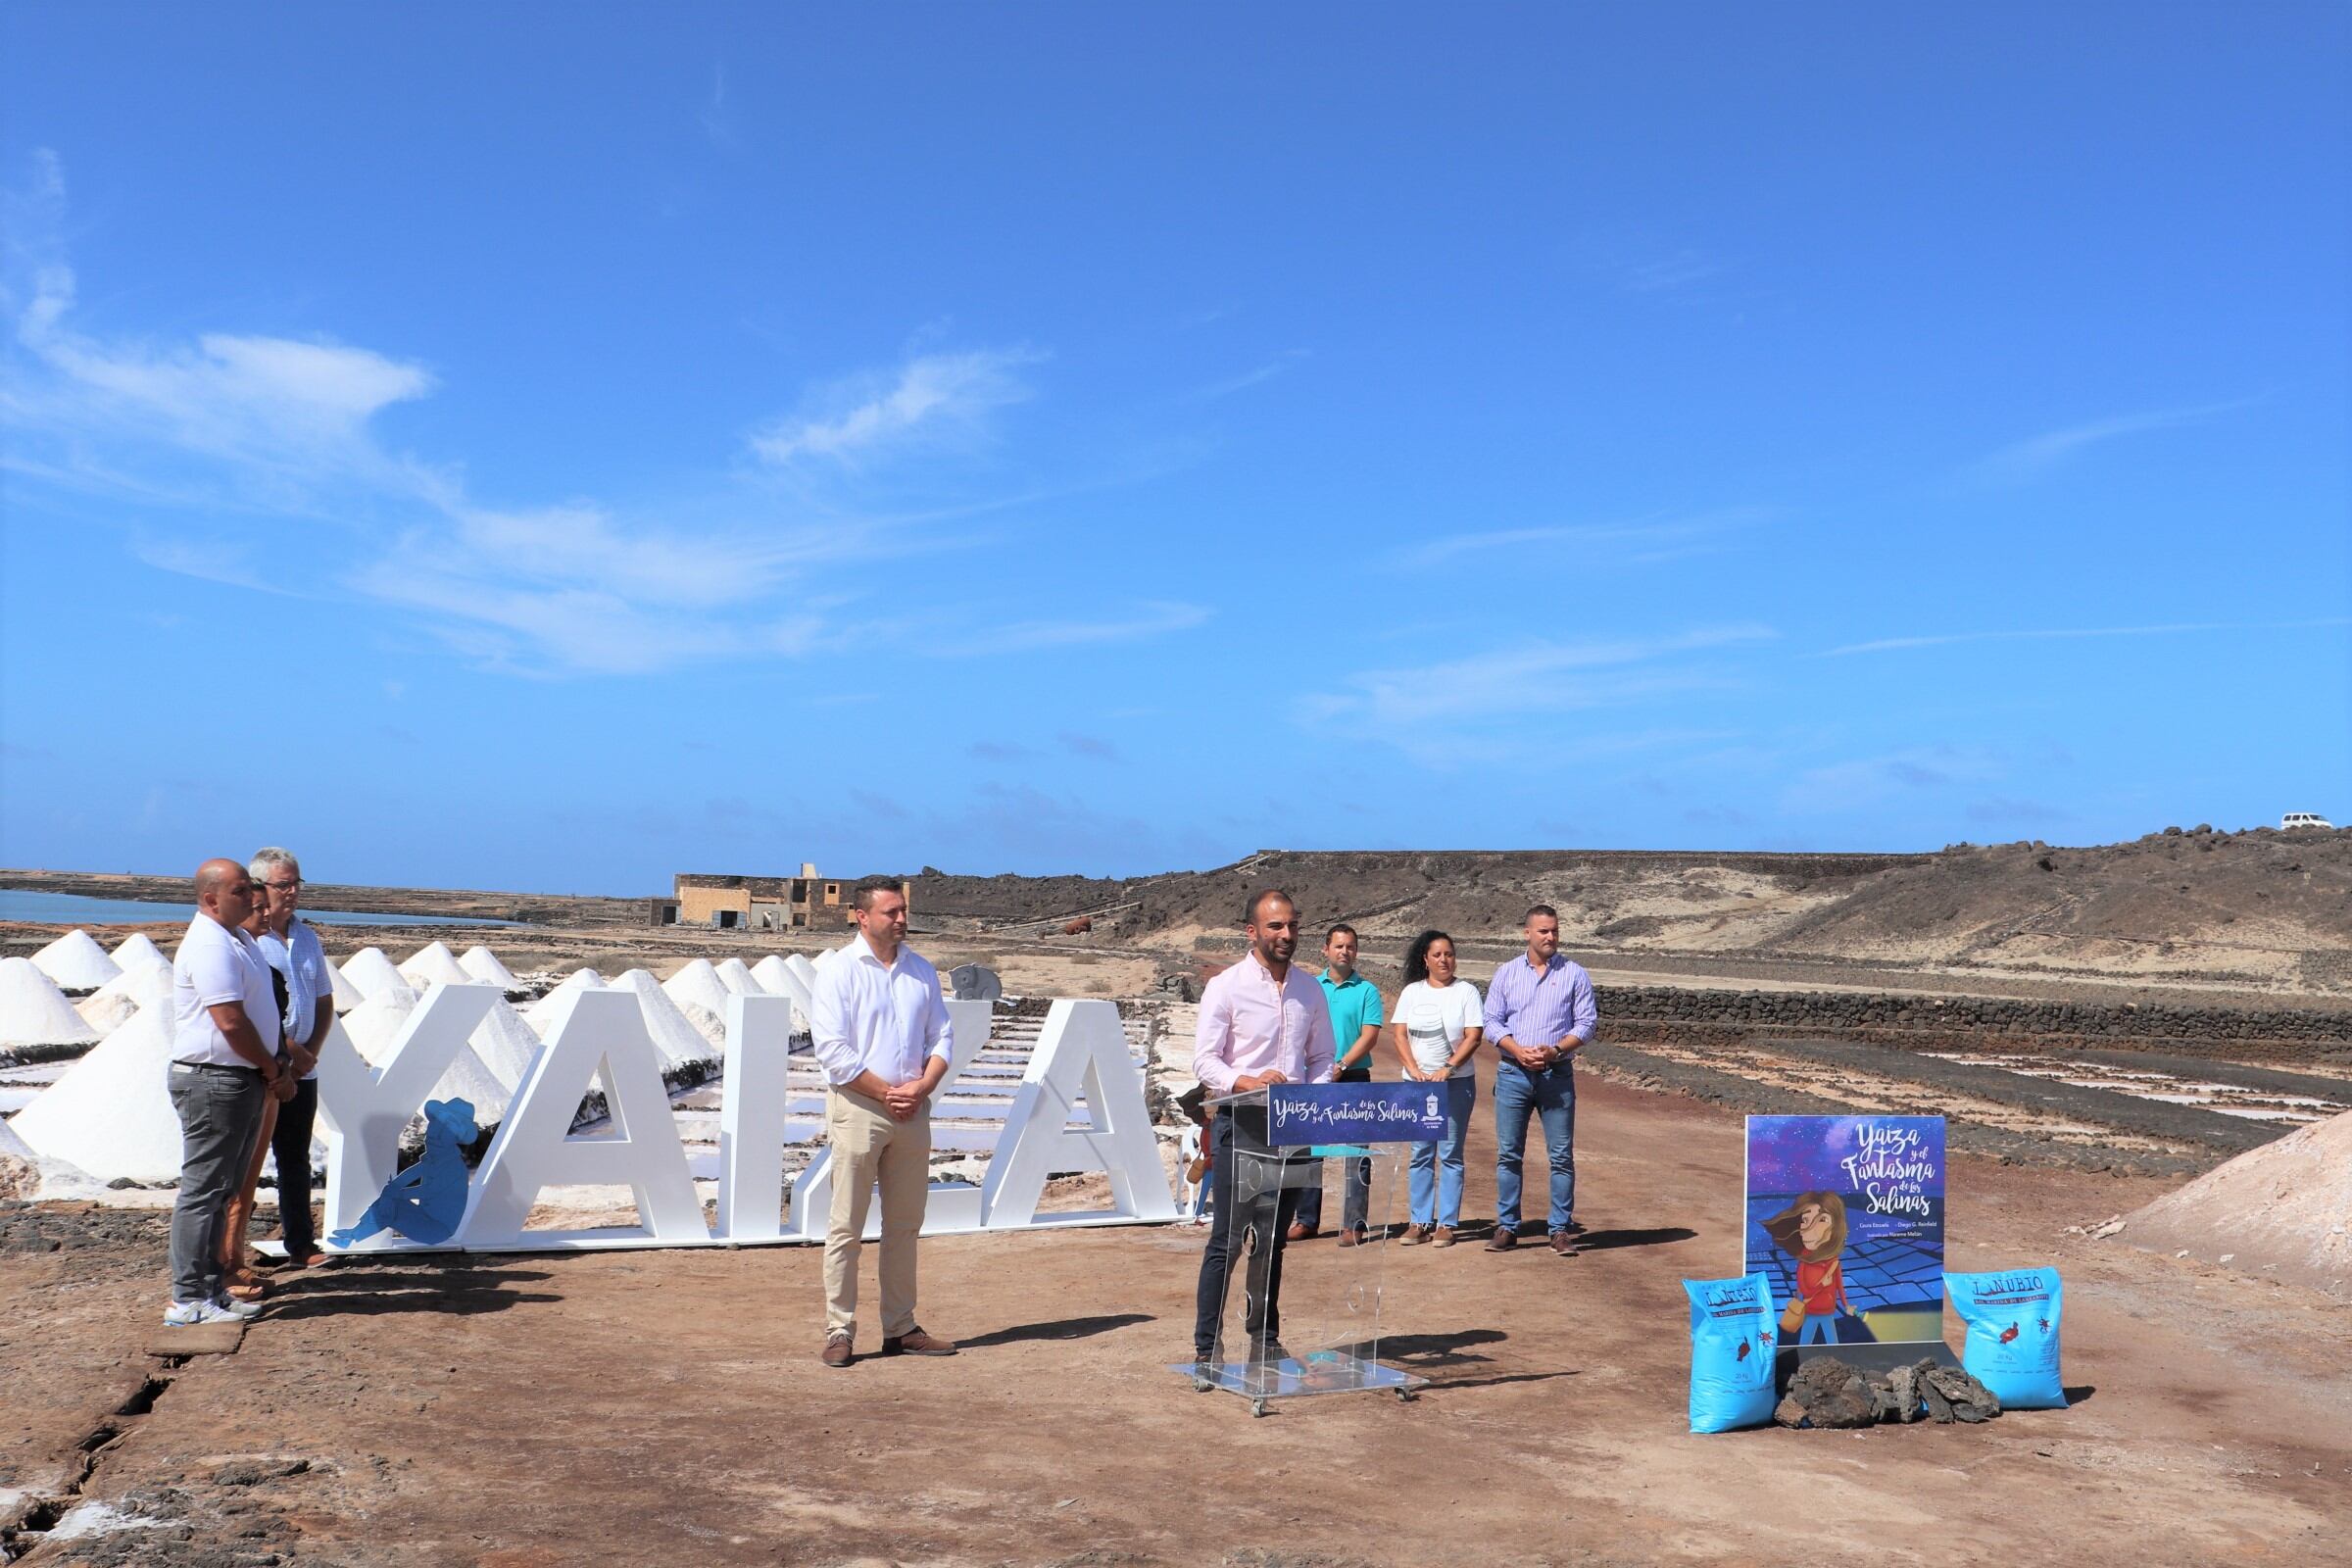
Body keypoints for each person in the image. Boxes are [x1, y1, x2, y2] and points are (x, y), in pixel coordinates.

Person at [809, 878, 958, 1368]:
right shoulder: (837, 971)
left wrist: (920, 1088)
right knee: (846, 1225)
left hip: (912, 1111)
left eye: (903, 911)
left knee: (904, 1226)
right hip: (859, 1109)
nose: (901, 919)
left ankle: (900, 1326)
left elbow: (942, 1038)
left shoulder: (921, 971)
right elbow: (832, 1050)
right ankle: (840, 1329)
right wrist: (886, 1092)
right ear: (862, 915)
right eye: (891, 912)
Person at [1190, 890, 1337, 1371]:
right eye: (1275, 927)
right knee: (1228, 1241)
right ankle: (1208, 1347)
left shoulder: (1310, 990)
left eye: (1292, 926)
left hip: (1294, 1126)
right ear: (1252, 932)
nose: (1286, 935)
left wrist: (1309, 1089)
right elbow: (1205, 1060)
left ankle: (1266, 1340)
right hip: (1243, 1123)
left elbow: (1321, 1058)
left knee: (1272, 1241)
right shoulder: (1227, 986)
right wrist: (1247, 1081)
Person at [164, 859, 287, 1327]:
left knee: (222, 1190)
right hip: (215, 1078)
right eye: (240, 891)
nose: (252, 896)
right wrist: (271, 1066)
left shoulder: (235, 938)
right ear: (211, 898)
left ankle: (211, 1287)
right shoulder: (211, 945)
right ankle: (188, 1297)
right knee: (204, 1191)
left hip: (236, 1078)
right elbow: (230, 1021)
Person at [1481, 905, 1598, 1255]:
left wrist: (1556, 1050)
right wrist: (1517, 1049)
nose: (1550, 937)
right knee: (1508, 1154)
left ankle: (1559, 1230)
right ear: (1527, 933)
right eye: (1544, 931)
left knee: (1561, 1155)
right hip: (1513, 1073)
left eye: (1555, 931)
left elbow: (1587, 1024)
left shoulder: (1575, 974)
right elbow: (1491, 1021)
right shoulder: (1506, 973)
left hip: (1556, 1074)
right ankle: (1507, 1226)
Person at [249, 848, 332, 1271]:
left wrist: (310, 1053)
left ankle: (300, 1243)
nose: (294, 891)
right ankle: (228, 1252)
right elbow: (249, 1009)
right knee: (244, 1161)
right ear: (260, 886)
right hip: (261, 1065)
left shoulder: (307, 937)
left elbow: (324, 1000)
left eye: (297, 882)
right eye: (284, 884)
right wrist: (288, 1052)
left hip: (303, 1067)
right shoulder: (249, 940)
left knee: (295, 1157)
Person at [217, 892, 290, 1298]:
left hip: (269, 1076)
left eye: (267, 906)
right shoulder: (228, 953)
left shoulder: (257, 954)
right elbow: (235, 1020)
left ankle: (235, 1261)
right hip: (248, 1074)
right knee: (229, 1181)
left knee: (247, 1182)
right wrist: (275, 1066)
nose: (266, 912)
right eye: (258, 906)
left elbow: (273, 1019)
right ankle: (222, 1268)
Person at [1290, 923, 1384, 1245]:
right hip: (1312, 1077)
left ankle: (1354, 1224)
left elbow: (1370, 1034)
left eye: (1351, 946)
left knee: (1356, 1154)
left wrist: (1341, 1065)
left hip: (1354, 1077)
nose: (1345, 951)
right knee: (1307, 1152)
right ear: (1325, 950)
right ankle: (1306, 1220)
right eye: (1339, 946)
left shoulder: (1367, 991)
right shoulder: (1310, 988)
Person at [1390, 929, 1482, 1247]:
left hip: (1455, 1084)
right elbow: (1399, 1034)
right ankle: (1419, 1220)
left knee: (1451, 1153)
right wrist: (1414, 1070)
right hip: (1416, 1085)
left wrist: (1448, 1068)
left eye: (1449, 954)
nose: (1444, 960)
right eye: (1438, 955)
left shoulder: (1467, 992)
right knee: (1421, 1152)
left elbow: (1473, 1036)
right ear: (1425, 960)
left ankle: (1446, 1223)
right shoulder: (1412, 992)